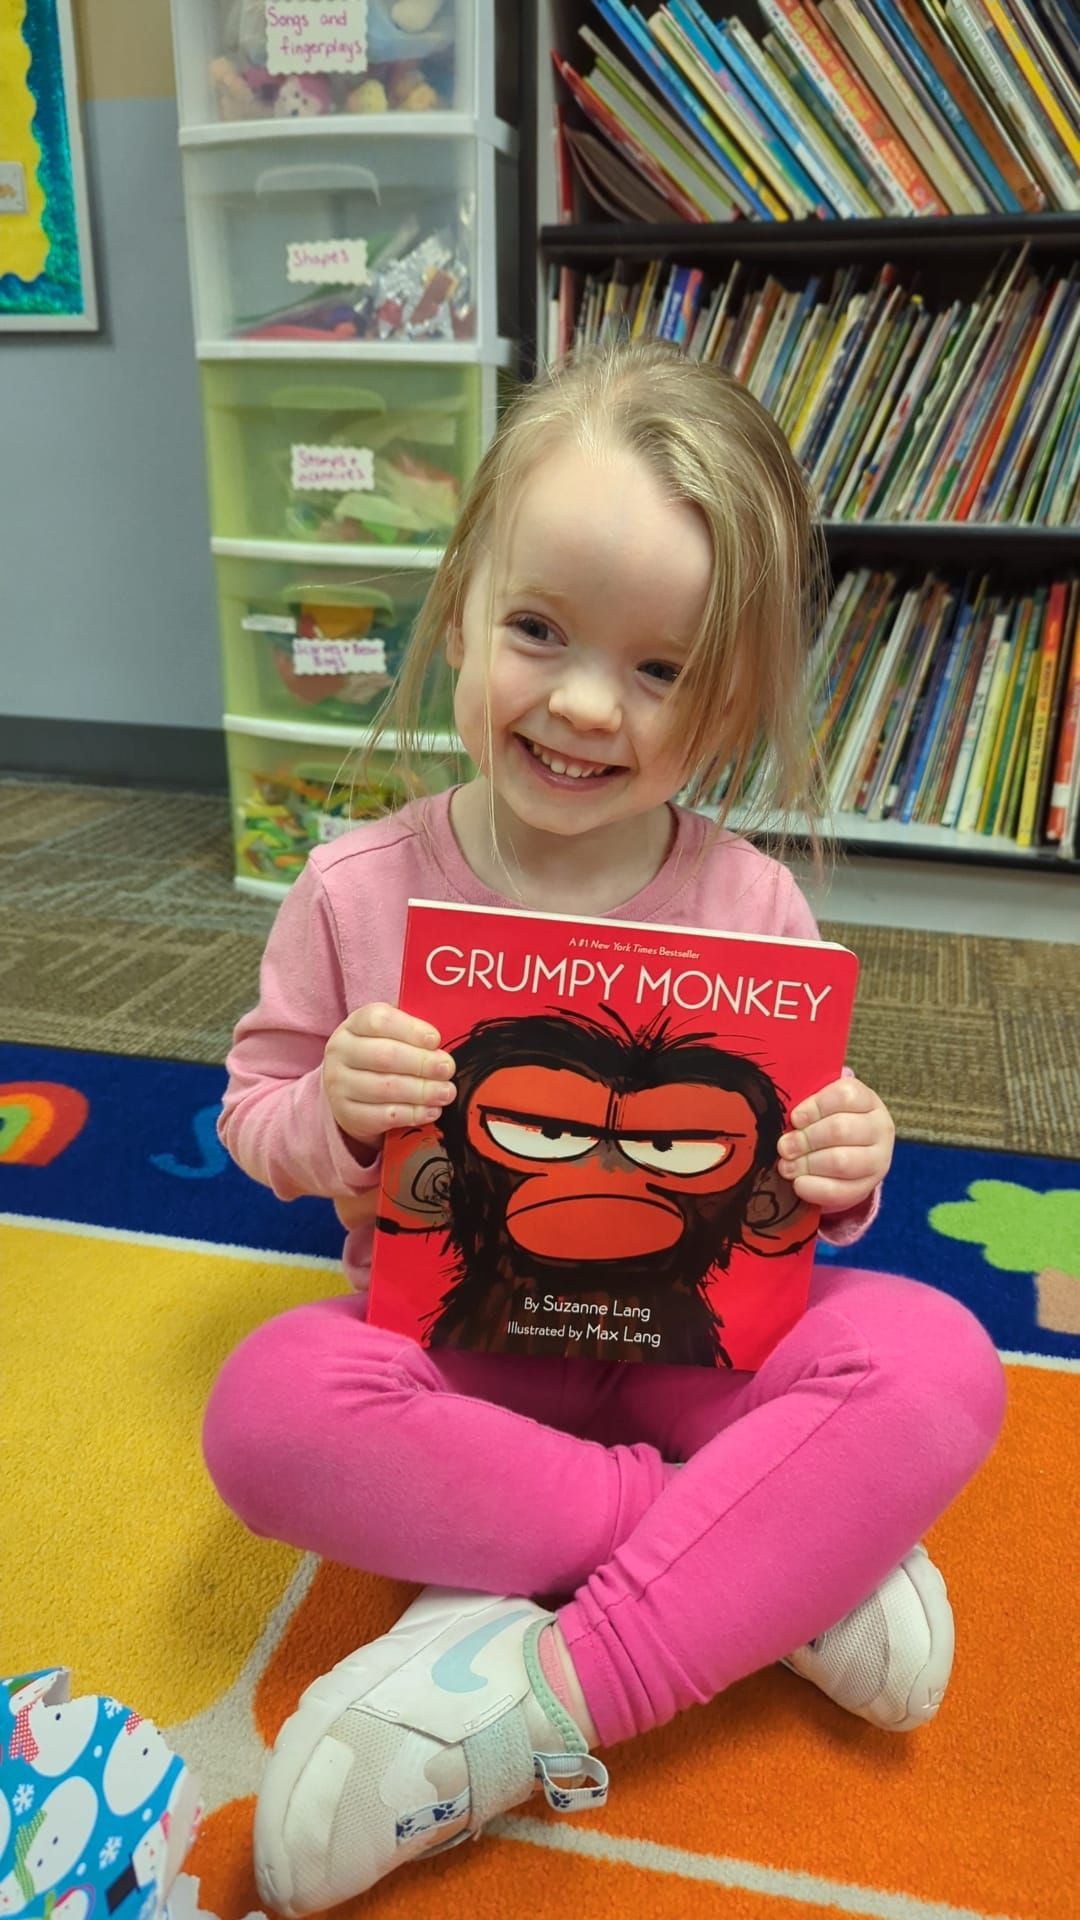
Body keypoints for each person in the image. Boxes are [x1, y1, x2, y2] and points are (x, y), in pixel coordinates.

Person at [205, 344, 1007, 1916]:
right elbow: (250, 1108)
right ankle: (761, 1560)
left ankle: (547, 1690)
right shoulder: (358, 886)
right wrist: (332, 1120)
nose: (582, 703)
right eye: (538, 631)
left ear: (735, 700)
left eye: (659, 670)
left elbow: (787, 1180)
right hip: (452, 1345)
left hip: (691, 1346)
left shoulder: (751, 897)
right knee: (267, 1406)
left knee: (939, 1362)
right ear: (461, 608)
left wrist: (842, 1165)